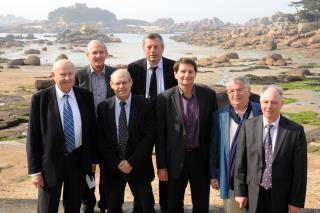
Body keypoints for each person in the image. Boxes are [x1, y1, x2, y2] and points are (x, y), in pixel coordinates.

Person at [26, 59, 96, 213]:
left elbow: (91, 132)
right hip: (50, 164)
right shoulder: (40, 99)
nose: (67, 78)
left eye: (70, 74)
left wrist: (91, 160)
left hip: (78, 162)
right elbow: (33, 136)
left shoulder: (86, 96)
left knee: (73, 207)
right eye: (62, 74)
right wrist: (35, 171)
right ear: (53, 75)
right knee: (47, 208)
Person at [156, 57, 218, 213]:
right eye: (182, 71)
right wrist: (161, 166)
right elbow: (160, 135)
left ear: (195, 74)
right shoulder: (164, 98)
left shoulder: (209, 95)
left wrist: (214, 164)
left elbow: (214, 131)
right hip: (175, 160)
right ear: (175, 74)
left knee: (202, 205)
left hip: (201, 159)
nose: (187, 75)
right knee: (174, 205)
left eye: (191, 71)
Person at [234, 85, 307, 213]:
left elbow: (300, 171)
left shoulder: (295, 131)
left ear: (281, 104)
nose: (269, 106)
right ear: (260, 103)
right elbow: (240, 163)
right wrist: (240, 192)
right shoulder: (247, 126)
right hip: (253, 195)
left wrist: (296, 202)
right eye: (265, 102)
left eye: (274, 102)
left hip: (282, 197)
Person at [127, 33, 177, 212]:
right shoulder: (133, 68)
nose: (153, 50)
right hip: (142, 126)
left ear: (163, 48)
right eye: (149, 47)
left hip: (168, 124)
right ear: (143, 49)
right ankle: (139, 204)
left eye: (156, 46)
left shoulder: (173, 67)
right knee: (139, 164)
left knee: (166, 165)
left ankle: (166, 204)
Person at [97, 69, 156, 213]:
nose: (121, 86)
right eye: (117, 83)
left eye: (124, 82)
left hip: (139, 166)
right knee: (113, 208)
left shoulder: (145, 104)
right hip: (113, 168)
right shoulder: (104, 107)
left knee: (146, 207)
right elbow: (101, 140)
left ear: (131, 83)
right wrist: (117, 163)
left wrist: (131, 162)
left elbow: (149, 137)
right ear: (111, 84)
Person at [209, 76, 262, 213]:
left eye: (240, 90)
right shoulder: (220, 115)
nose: (235, 94)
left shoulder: (261, 111)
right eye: (231, 91)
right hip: (230, 175)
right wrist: (214, 174)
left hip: (258, 176)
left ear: (249, 91)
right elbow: (214, 147)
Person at [75, 40, 116, 213]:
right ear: (88, 55)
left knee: (108, 171)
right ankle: (88, 203)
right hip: (85, 132)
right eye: (94, 52)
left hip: (110, 132)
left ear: (106, 53)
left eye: (101, 52)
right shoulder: (78, 75)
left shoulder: (116, 74)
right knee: (86, 169)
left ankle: (106, 204)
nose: (98, 55)